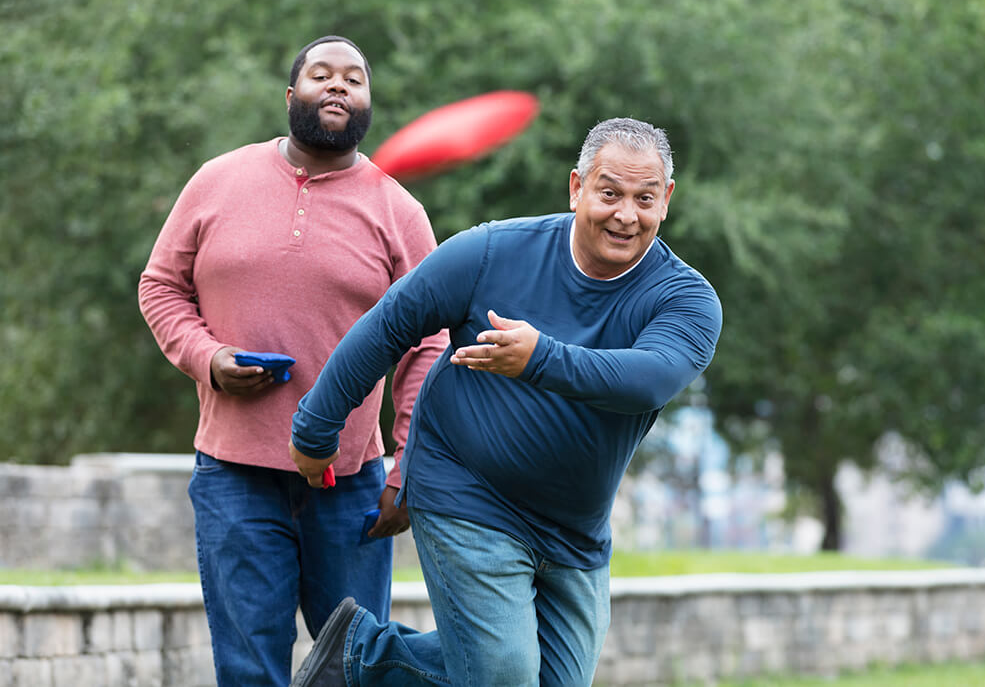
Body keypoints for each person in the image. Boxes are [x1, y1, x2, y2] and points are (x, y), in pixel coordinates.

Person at [287, 117, 722, 686]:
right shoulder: (491, 252)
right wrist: (315, 432)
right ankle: (366, 659)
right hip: (466, 489)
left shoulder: (686, 298)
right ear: (576, 187)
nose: (625, 215)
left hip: (574, 529)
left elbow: (647, 380)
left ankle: (357, 658)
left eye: (644, 198)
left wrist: (538, 358)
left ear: (665, 200)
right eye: (609, 193)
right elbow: (387, 328)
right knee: (504, 677)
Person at [138, 35, 448, 686]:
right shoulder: (217, 181)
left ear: (368, 104)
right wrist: (210, 357)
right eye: (321, 74)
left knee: (354, 667)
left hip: (350, 485)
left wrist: (407, 459)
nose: (338, 86)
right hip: (232, 477)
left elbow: (429, 343)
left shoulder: (399, 211)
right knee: (249, 670)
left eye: (354, 79)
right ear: (291, 96)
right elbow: (160, 286)